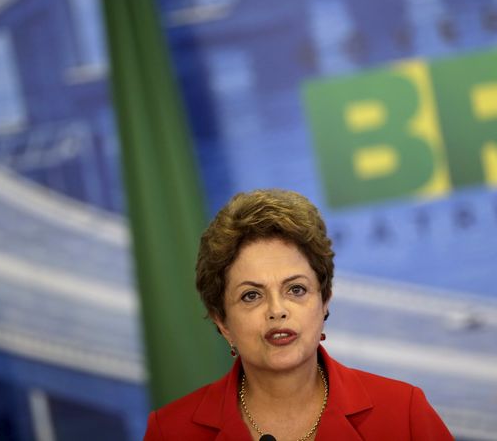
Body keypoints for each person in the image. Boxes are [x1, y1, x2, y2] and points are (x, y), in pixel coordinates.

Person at [144, 189, 453, 440]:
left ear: (325, 301)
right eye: (251, 295)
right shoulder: (171, 431)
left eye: (296, 290)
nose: (277, 311)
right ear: (222, 321)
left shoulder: (402, 414)